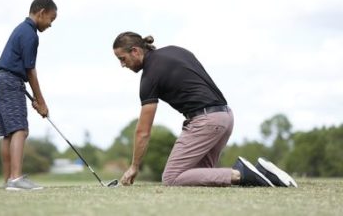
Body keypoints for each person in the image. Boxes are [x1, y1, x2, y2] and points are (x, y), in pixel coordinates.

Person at [113, 31, 297, 188]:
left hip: (206, 121)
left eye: (122, 59)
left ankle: (242, 174)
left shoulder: (149, 77)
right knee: (200, 177)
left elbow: (143, 131)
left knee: (171, 178)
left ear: (135, 51)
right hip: (226, 116)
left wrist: (134, 166)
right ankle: (265, 174)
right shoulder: (176, 51)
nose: (122, 65)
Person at [0, 0, 57, 190]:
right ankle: (16, 179)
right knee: (20, 130)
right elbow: (30, 70)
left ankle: (8, 180)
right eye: (51, 19)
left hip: (1, 80)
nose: (50, 25)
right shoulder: (30, 34)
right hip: (10, 81)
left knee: (9, 134)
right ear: (41, 12)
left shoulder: (22, 29)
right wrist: (41, 101)